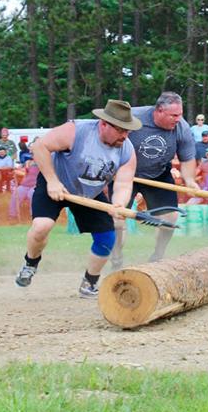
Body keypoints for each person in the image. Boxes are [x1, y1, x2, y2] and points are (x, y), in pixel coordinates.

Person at [15, 99, 140, 297]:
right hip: (57, 183)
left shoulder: (127, 150)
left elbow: (124, 183)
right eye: (120, 130)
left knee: (108, 237)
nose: (125, 136)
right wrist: (52, 181)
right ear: (104, 124)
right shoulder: (76, 131)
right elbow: (40, 147)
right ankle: (31, 263)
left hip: (89, 193)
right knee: (42, 227)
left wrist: (119, 203)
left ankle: (89, 283)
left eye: (128, 131)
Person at [111, 92, 199, 268]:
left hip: (158, 173)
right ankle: (117, 257)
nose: (178, 119)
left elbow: (187, 158)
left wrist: (189, 180)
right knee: (117, 219)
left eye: (180, 114)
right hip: (125, 174)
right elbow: (108, 142)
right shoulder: (132, 117)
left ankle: (158, 255)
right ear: (159, 111)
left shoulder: (181, 127)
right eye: (174, 115)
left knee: (170, 218)